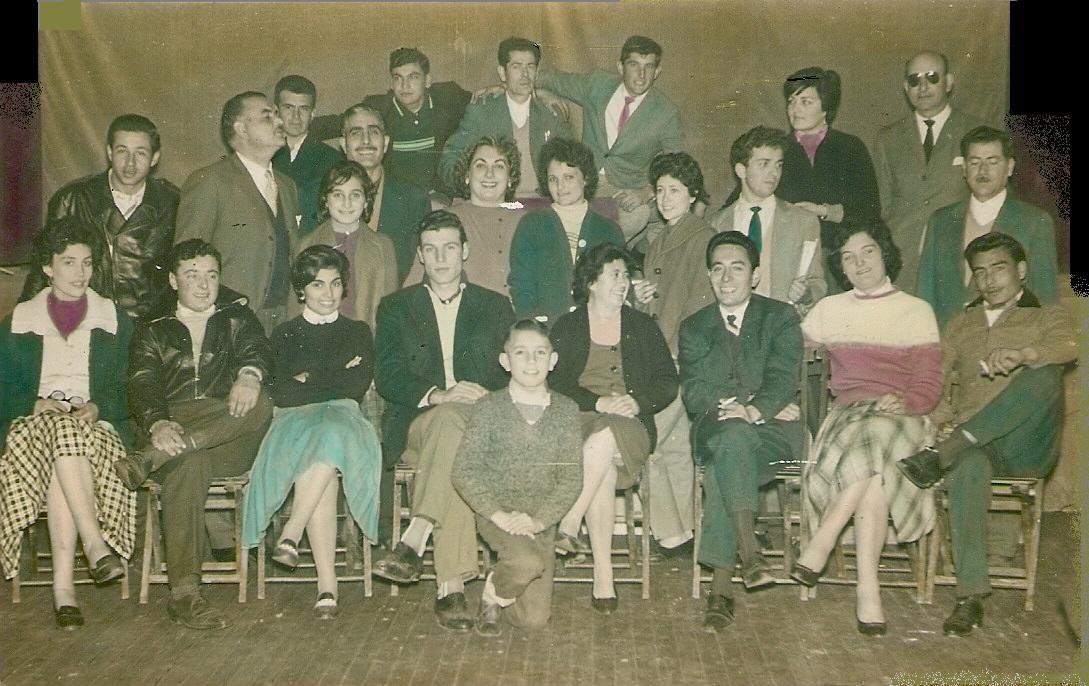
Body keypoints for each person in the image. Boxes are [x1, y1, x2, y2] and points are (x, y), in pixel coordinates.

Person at [897, 232, 1075, 636]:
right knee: (969, 465)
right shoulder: (961, 325)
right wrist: (933, 418)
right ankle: (970, 596)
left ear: (1021, 271)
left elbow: (1068, 346)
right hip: (979, 447)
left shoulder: (1046, 317)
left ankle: (946, 451)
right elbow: (937, 386)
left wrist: (1026, 355)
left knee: (1045, 375)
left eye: (999, 268)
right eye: (980, 273)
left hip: (1028, 445)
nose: (989, 280)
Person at [791, 223, 942, 636]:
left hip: (903, 419)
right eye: (848, 257)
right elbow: (787, 350)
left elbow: (929, 384)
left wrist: (906, 401)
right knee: (872, 464)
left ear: (885, 253)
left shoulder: (916, 310)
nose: (859, 263)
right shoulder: (829, 310)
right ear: (840, 267)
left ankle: (823, 541)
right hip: (849, 417)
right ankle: (867, 589)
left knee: (876, 438)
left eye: (868, 252)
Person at [117, 239, 273, 630]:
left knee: (263, 402)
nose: (204, 285)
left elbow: (258, 349)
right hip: (174, 426)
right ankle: (185, 595)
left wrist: (249, 375)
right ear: (173, 280)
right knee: (190, 463)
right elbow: (142, 380)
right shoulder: (152, 327)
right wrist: (157, 423)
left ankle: (155, 458)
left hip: (228, 428)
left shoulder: (236, 316)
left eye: (211, 275)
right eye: (192, 275)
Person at [371, 210, 513, 630]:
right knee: (449, 423)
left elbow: (514, 372)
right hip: (419, 424)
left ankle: (427, 552)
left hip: (480, 425)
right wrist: (437, 395)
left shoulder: (494, 306)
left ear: (465, 251)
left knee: (455, 437)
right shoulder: (396, 307)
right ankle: (446, 579)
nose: (440, 258)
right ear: (420, 255)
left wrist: (487, 396)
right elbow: (388, 374)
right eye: (430, 250)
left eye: (449, 248)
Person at [0, 218, 135, 630]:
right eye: (69, 262)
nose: (80, 273)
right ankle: (94, 545)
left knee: (67, 440)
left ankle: (64, 590)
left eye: (87, 263)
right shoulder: (18, 322)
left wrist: (98, 406)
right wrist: (34, 402)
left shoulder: (114, 320)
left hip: (96, 432)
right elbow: (3, 389)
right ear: (48, 267)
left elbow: (129, 387)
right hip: (31, 432)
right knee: (60, 431)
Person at [241, 245, 382, 620]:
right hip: (295, 422)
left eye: (335, 283)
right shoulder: (284, 334)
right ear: (301, 290)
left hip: (345, 420)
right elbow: (281, 392)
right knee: (323, 452)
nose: (328, 293)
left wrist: (307, 379)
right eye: (318, 284)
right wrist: (332, 377)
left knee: (330, 435)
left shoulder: (357, 331)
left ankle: (292, 532)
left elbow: (355, 386)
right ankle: (327, 585)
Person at [678, 231, 804, 632]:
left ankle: (722, 588)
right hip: (715, 429)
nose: (726, 278)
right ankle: (749, 552)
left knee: (724, 463)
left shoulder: (780, 317)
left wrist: (751, 409)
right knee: (730, 439)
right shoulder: (694, 327)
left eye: (737, 268)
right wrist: (746, 404)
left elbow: (783, 377)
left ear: (755, 275)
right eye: (718, 269)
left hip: (771, 436)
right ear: (709, 276)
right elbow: (694, 393)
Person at [548, 244, 677, 612]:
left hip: (629, 425)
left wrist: (637, 401)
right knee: (601, 463)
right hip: (579, 423)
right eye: (616, 275)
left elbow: (668, 381)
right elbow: (554, 384)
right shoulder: (568, 326)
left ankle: (569, 521)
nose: (625, 283)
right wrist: (597, 402)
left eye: (626, 276)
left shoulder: (642, 326)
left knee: (605, 436)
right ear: (592, 281)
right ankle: (604, 576)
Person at [451, 319, 582, 635]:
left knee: (531, 620)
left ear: (553, 360)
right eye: (521, 352)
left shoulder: (566, 410)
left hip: (540, 519)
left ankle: (493, 590)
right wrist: (498, 515)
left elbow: (571, 478)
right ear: (505, 360)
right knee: (527, 564)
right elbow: (464, 470)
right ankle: (507, 576)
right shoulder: (488, 407)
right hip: (500, 515)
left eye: (540, 353)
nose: (531, 361)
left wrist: (538, 522)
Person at [632, 151, 715, 555]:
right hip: (662, 353)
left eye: (675, 191)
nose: (665, 199)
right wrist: (642, 297)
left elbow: (700, 304)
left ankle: (670, 530)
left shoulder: (703, 238)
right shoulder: (657, 241)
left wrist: (681, 356)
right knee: (674, 446)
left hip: (679, 356)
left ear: (692, 194)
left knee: (649, 438)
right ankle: (682, 530)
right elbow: (655, 305)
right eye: (660, 190)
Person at [23, 114, 179, 321]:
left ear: (155, 157)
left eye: (140, 153)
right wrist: (24, 320)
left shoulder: (172, 202)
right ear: (109, 152)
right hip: (87, 322)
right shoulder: (72, 199)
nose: (130, 163)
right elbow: (43, 270)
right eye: (122, 151)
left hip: (149, 326)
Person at [174, 91, 301, 334]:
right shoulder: (209, 181)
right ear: (241, 129)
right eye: (267, 117)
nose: (280, 121)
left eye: (277, 115)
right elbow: (186, 261)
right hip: (229, 324)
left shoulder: (287, 186)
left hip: (283, 323)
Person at [537, 35, 686, 241]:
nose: (641, 75)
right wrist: (534, 91)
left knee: (637, 214)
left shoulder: (666, 113)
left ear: (657, 71)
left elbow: (678, 164)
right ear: (620, 67)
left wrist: (646, 192)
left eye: (649, 67)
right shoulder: (598, 85)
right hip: (583, 179)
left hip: (624, 189)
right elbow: (550, 79)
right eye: (634, 65)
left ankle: (597, 251)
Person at [917, 126, 1059, 329]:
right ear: (964, 168)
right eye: (974, 162)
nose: (982, 171)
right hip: (948, 341)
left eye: (992, 162)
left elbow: (1046, 299)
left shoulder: (1035, 221)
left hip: (1008, 342)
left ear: (1009, 167)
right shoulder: (940, 221)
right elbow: (925, 295)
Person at [874, 51, 987, 293]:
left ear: (949, 82)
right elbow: (882, 206)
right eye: (914, 80)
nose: (923, 87)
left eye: (932, 77)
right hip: (902, 264)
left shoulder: (976, 131)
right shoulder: (888, 139)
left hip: (958, 259)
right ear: (906, 87)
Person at [774, 67, 880, 291]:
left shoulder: (850, 147)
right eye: (791, 101)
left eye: (806, 102)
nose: (795, 109)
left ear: (826, 107)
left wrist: (825, 211)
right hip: (789, 261)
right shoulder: (776, 150)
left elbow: (870, 210)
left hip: (841, 262)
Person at [309, 48, 471, 194]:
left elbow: (480, 103)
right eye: (398, 78)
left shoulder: (449, 98)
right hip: (394, 196)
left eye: (413, 77)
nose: (405, 86)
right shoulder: (378, 109)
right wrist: (299, 123)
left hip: (437, 195)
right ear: (391, 83)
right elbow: (336, 123)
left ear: (427, 80)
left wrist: (489, 90)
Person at [439, 37, 572, 202]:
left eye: (530, 66)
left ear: (537, 72)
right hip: (494, 201)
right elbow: (450, 157)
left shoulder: (551, 112)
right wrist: (470, 187)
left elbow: (572, 160)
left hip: (541, 202)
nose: (525, 74)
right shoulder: (482, 111)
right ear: (502, 73)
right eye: (516, 66)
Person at [710, 125, 826, 312]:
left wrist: (806, 295)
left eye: (778, 165)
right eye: (764, 164)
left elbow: (818, 283)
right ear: (741, 170)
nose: (774, 173)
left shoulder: (803, 221)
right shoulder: (716, 224)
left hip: (784, 323)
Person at [509, 138, 624, 323]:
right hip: (546, 328)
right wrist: (531, 328)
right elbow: (522, 285)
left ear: (586, 178)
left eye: (568, 177)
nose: (560, 187)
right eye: (553, 179)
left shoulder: (609, 230)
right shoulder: (531, 225)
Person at [404, 136, 525, 297]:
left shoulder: (527, 222)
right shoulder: (445, 220)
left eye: (499, 166)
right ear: (467, 175)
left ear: (510, 178)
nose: (489, 174)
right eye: (480, 165)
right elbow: (413, 287)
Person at [291, 160, 398, 330]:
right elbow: (295, 308)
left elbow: (391, 309)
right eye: (338, 195)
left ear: (366, 200)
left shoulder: (383, 245)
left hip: (367, 339)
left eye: (355, 195)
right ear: (326, 200)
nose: (347, 203)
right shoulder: (306, 244)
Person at [339, 104, 431, 285]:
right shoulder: (321, 195)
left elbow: (419, 270)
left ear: (386, 143)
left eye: (374, 132)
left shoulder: (414, 200)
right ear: (343, 144)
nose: (366, 140)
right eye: (356, 133)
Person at [271, 75, 344, 234]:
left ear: (312, 114)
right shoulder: (263, 155)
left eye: (303, 109)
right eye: (289, 108)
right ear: (276, 111)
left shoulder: (332, 159)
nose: (296, 116)